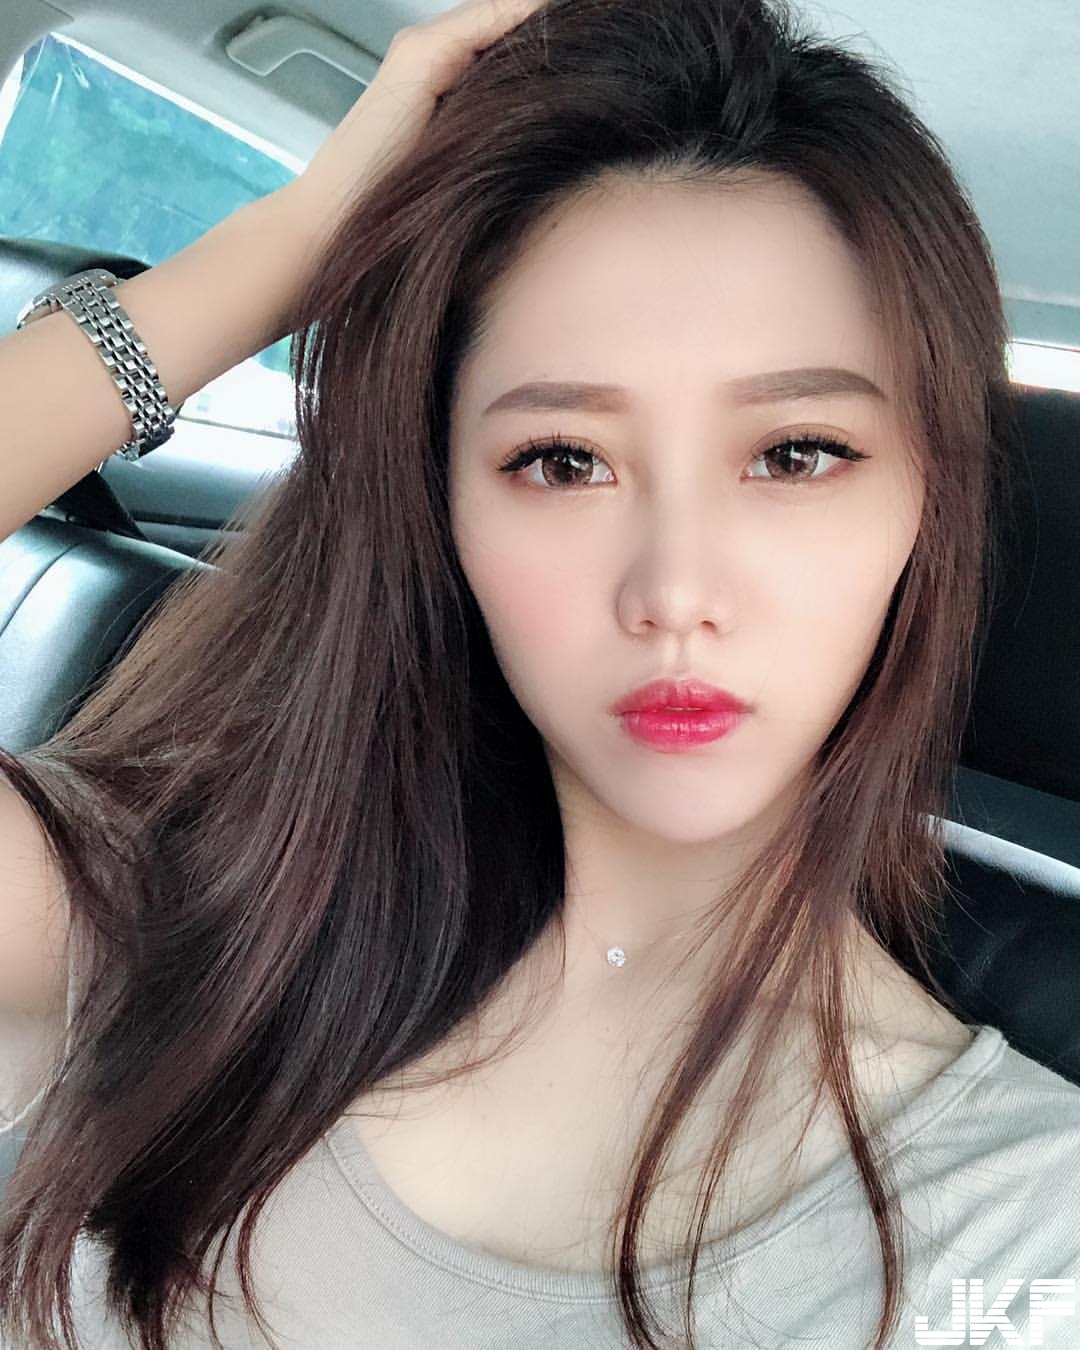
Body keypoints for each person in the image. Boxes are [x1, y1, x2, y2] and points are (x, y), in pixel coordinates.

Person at [1, 0, 1079, 1346]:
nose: (675, 590)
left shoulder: (1029, 1239)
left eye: (796, 453)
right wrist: (299, 236)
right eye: (562, 461)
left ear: (929, 500)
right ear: (441, 508)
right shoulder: (167, 926)